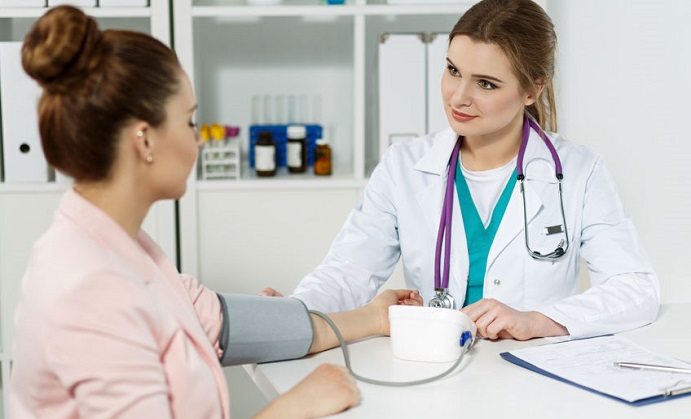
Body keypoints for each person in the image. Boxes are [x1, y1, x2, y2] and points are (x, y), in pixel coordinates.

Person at [9, 6, 415, 418]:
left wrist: (371, 317)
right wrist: (295, 407)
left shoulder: (117, 243)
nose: (199, 141)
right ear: (144, 140)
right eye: (189, 122)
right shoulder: (90, 287)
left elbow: (224, 324)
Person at [264, 0, 660, 341]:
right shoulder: (404, 167)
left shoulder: (579, 172)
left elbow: (636, 289)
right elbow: (348, 271)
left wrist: (538, 321)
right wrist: (296, 314)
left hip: (534, 377)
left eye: (486, 84)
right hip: (432, 368)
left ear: (532, 90)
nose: (459, 97)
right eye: (453, 70)